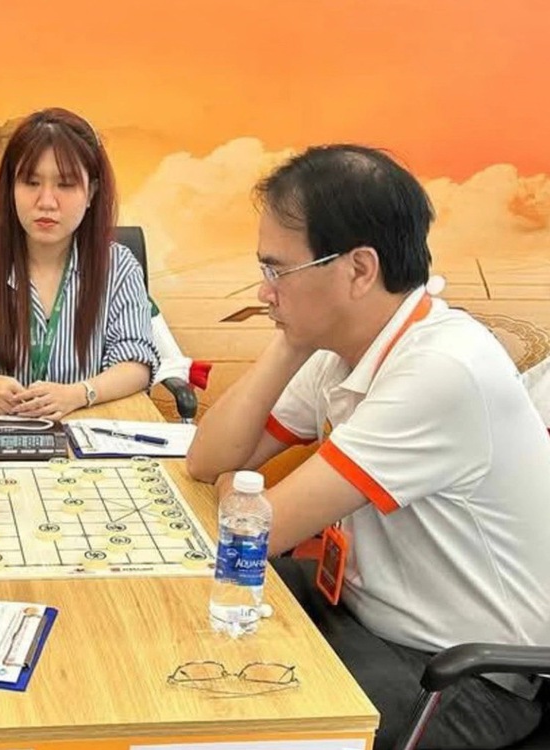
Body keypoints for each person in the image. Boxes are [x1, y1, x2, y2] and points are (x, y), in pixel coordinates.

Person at [186, 144, 550, 748]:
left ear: (358, 270)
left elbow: (254, 534)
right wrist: (290, 342)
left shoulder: (442, 369)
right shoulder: (343, 344)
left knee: (227, 714)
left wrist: (241, 492)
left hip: (461, 675)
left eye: (278, 271)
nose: (264, 291)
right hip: (361, 615)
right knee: (186, 632)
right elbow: (208, 461)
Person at [0, 107, 158, 420]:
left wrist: (79, 393)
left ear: (91, 192)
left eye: (65, 184)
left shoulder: (119, 268)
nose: (46, 202)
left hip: (84, 436)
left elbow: (136, 362)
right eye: (31, 182)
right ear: (11, 189)